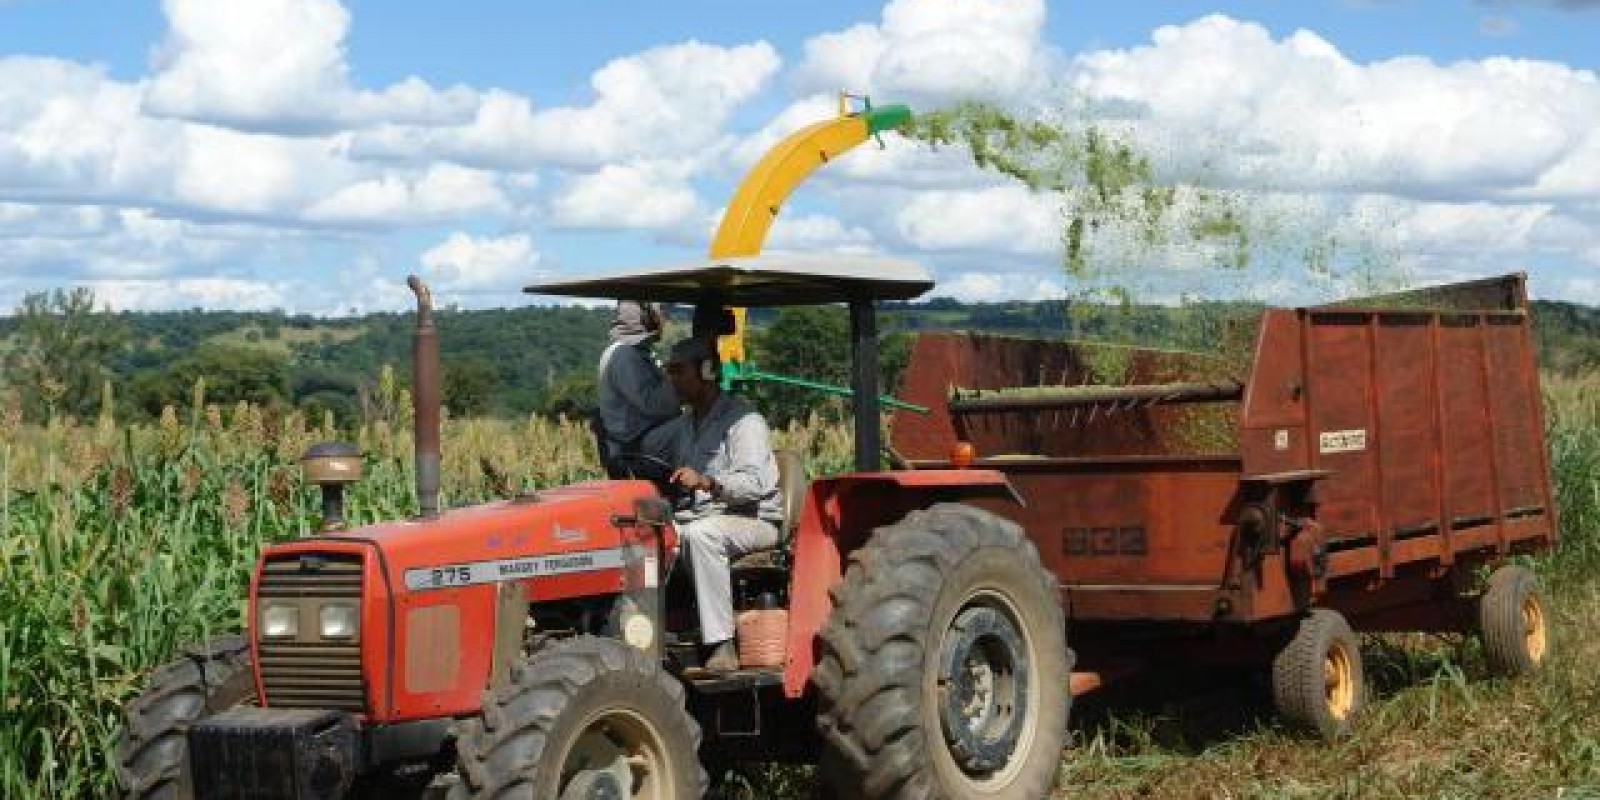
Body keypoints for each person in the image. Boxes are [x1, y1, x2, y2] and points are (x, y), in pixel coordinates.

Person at [662, 336, 782, 673]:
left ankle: (721, 644)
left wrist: (708, 482)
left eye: (678, 371)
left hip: (751, 520)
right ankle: (663, 631)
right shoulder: (685, 425)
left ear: (707, 370)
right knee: (645, 535)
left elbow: (754, 485)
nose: (672, 379)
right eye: (669, 371)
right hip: (700, 516)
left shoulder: (744, 421)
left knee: (701, 536)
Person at [596, 300, 680, 471]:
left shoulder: (631, 352)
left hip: (639, 437)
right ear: (646, 318)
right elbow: (656, 406)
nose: (664, 318)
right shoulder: (625, 355)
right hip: (636, 443)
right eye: (660, 312)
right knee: (697, 424)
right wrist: (678, 378)